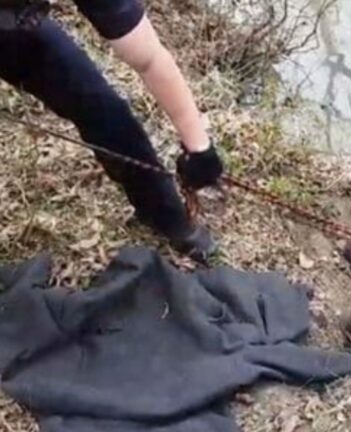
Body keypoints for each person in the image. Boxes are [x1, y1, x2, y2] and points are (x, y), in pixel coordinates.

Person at [0, 0, 224, 262]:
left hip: (13, 26)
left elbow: (150, 59)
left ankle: (164, 215)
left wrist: (199, 147)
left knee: (102, 108)